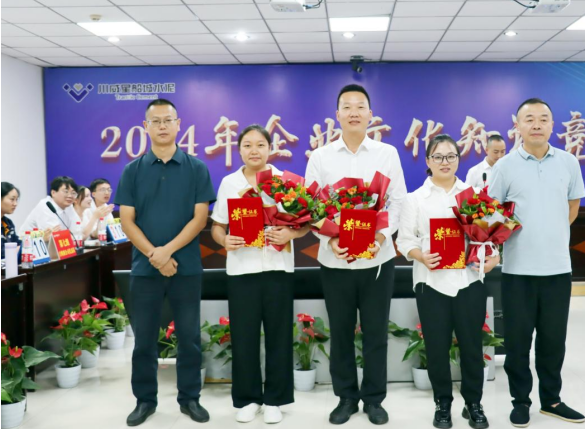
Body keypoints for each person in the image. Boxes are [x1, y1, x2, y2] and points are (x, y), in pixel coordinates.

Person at [305, 84, 407, 426]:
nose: (353, 112)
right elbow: (312, 207)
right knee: (341, 332)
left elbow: (398, 201)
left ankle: (374, 399)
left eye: (360, 106)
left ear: (370, 114)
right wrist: (330, 240)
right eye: (346, 107)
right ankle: (346, 397)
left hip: (378, 260)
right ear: (337, 115)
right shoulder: (320, 157)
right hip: (335, 261)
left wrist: (380, 236)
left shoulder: (386, 153)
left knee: (376, 332)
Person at [115, 98, 216, 427]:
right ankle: (145, 400)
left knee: (189, 338)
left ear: (178, 124)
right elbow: (127, 221)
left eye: (167, 120)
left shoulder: (196, 168)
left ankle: (190, 398)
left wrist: (167, 252)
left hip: (186, 269)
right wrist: (155, 257)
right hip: (145, 270)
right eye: (155, 121)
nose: (162, 126)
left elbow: (200, 219)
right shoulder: (132, 171)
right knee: (144, 340)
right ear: (145, 127)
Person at [488, 98, 585, 427]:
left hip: (558, 268)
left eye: (543, 119)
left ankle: (552, 400)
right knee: (518, 341)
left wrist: (551, 233)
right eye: (529, 119)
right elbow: (492, 213)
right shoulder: (504, 166)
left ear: (552, 125)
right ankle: (520, 401)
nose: (536, 124)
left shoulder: (569, 162)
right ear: (517, 125)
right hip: (518, 270)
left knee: (553, 340)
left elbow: (572, 207)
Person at [396, 134, 499, 429]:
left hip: (469, 281)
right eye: (438, 157)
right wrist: (420, 255)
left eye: (451, 156)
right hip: (431, 283)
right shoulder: (415, 199)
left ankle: (473, 403)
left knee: (472, 346)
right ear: (428, 161)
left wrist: (492, 257)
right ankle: (442, 404)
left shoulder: (473, 195)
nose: (445, 162)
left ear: (458, 159)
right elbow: (405, 240)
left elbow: (490, 236)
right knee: (437, 348)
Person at [211, 125, 310, 424]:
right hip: (242, 269)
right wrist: (224, 240)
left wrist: (290, 234)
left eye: (260, 144)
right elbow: (217, 226)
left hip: (278, 268)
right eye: (247, 145)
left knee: (280, 335)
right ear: (239, 150)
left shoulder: (285, 181)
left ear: (270, 148)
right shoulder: (229, 183)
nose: (254, 150)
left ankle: (275, 399)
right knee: (244, 336)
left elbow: (306, 223)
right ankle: (247, 399)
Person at [19, 176, 81, 243]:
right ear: (53, 193)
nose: (70, 196)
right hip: (27, 244)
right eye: (66, 191)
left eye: (73, 193)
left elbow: (77, 231)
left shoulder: (69, 206)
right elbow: (54, 236)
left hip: (50, 246)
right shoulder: (46, 205)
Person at [2, 182, 21, 261]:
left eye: (16, 200)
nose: (15, 204)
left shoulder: (8, 223)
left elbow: (18, 243)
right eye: (12, 199)